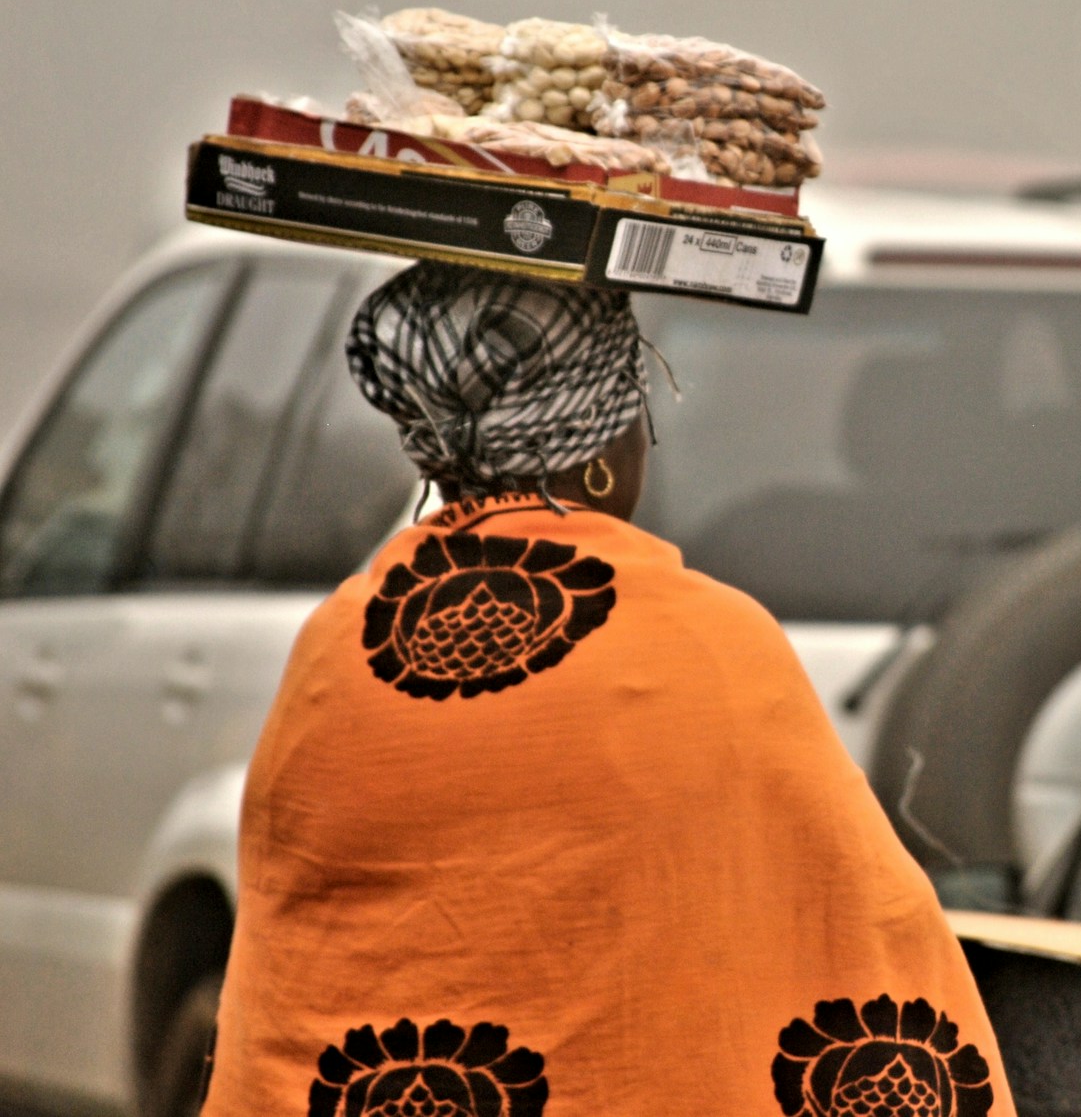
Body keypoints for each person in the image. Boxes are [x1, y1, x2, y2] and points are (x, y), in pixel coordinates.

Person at [203, 261, 1010, 1117]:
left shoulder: (339, 652)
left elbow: (297, 972)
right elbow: (853, 930)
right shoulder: (709, 648)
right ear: (597, 448)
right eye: (637, 406)